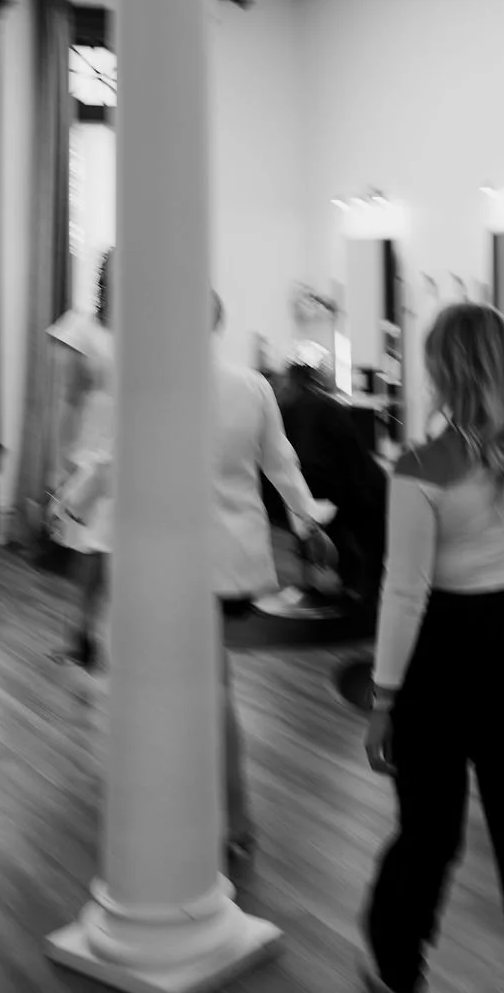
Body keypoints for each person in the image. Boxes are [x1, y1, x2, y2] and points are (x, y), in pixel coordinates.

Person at [360, 302, 504, 993]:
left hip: (441, 651)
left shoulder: (420, 467)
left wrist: (382, 700)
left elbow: (404, 592)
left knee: (430, 830)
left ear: (441, 369)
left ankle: (393, 958)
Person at [211, 293, 337, 863]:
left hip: (174, 555)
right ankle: (231, 815)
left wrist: (70, 504)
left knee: (199, 686)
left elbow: (113, 463)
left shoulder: (151, 385)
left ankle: (224, 815)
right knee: (213, 683)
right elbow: (281, 463)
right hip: (234, 557)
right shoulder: (251, 385)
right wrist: (309, 523)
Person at [276, 342, 387, 612]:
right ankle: (363, 595)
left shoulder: (288, 408)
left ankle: (342, 588)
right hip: (353, 492)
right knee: (368, 543)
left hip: (321, 491)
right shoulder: (325, 407)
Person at [45, 249, 115, 672]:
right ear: (103, 281)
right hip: (90, 454)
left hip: (134, 453)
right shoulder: (81, 328)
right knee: (89, 550)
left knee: (124, 549)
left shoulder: (147, 331)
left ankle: (118, 634)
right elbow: (68, 400)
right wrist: (61, 460)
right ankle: (83, 634)